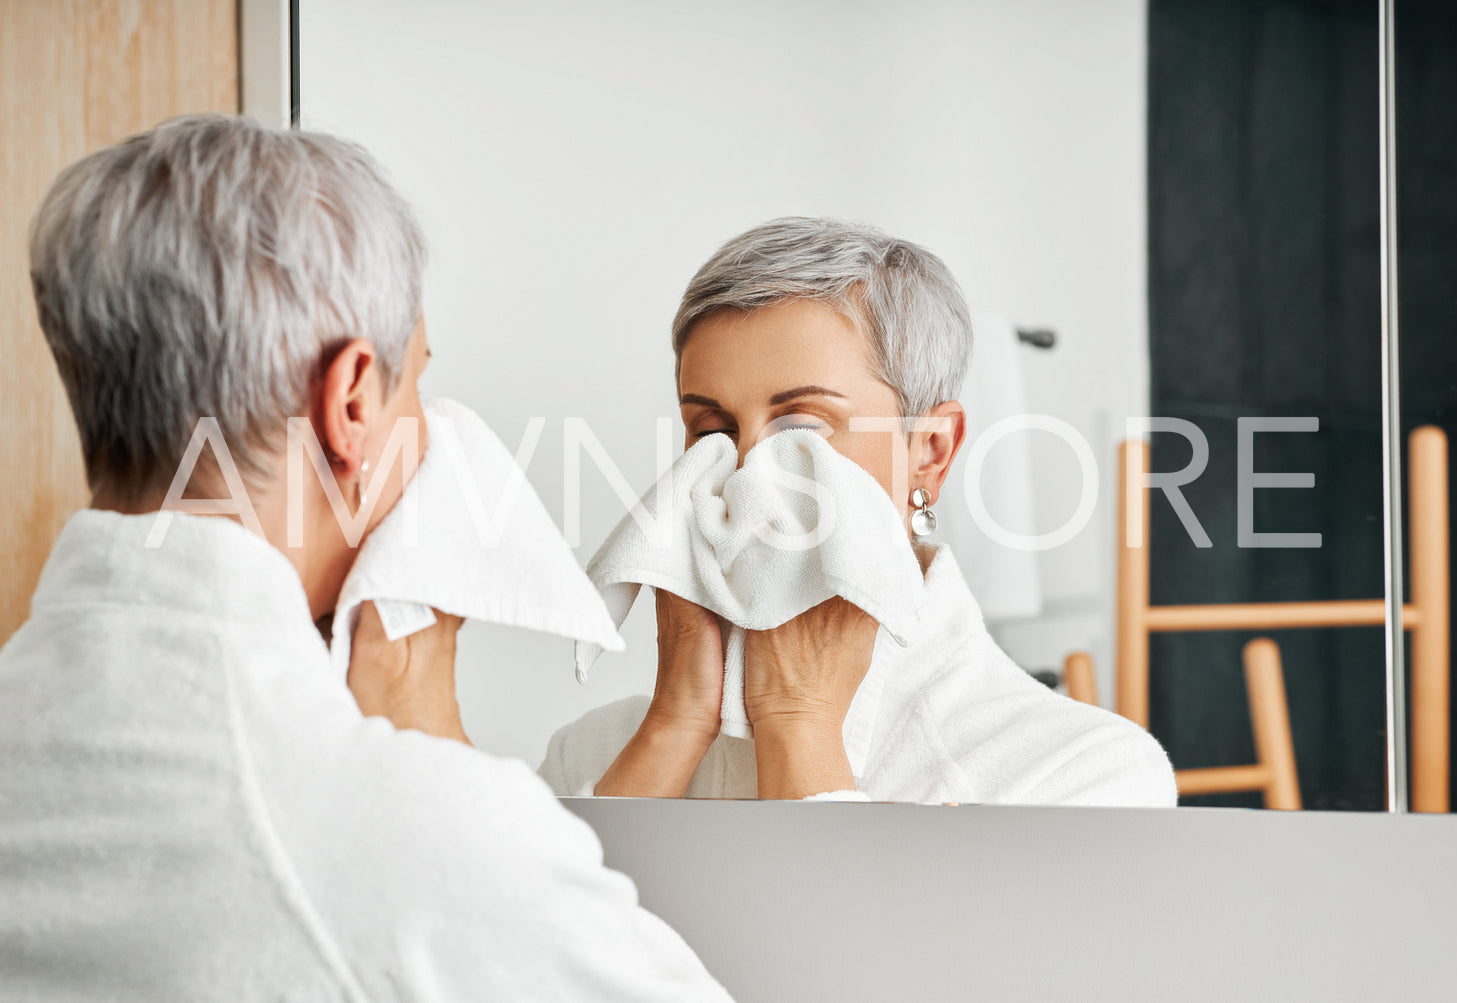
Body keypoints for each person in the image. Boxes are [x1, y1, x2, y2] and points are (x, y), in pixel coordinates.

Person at [0, 115, 728, 1000]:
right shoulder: (407, 833)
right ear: (349, 402)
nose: (433, 429)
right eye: (415, 384)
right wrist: (430, 757)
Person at [541, 217, 1178, 806]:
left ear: (929, 450)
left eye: (802, 429)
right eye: (711, 430)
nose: (745, 473)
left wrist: (801, 724)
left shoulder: (1081, 774)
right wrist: (673, 725)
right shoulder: (591, 757)